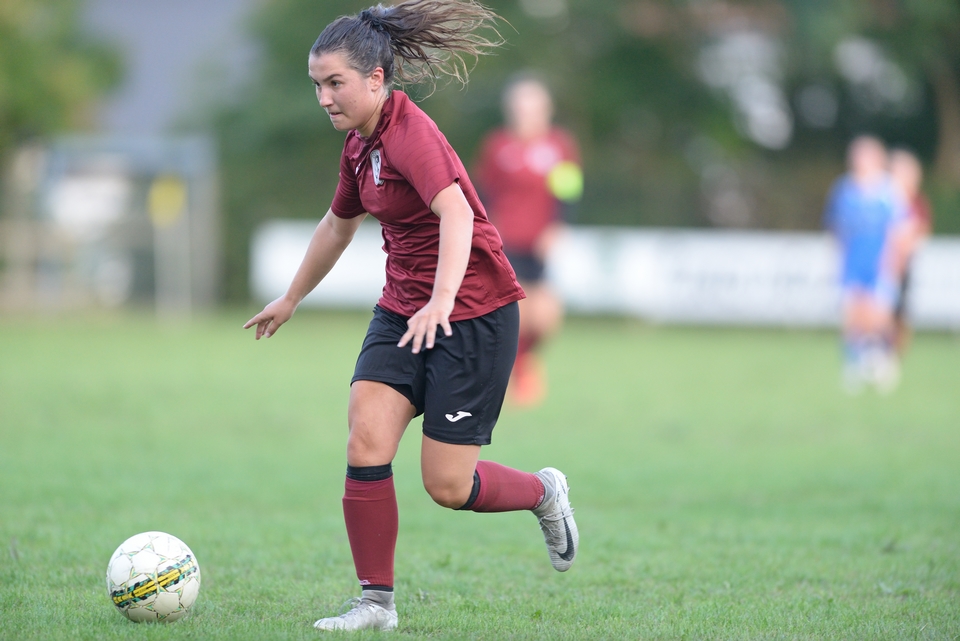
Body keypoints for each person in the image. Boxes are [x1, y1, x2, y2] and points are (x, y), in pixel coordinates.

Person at [243, 1, 579, 632]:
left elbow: (457, 213)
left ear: (375, 79)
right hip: (403, 311)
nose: (323, 98)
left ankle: (544, 492)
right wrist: (291, 298)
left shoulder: (408, 132)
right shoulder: (358, 145)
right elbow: (337, 226)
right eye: (316, 85)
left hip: (473, 316)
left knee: (448, 486)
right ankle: (375, 604)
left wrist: (443, 301)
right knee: (365, 438)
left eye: (335, 83)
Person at [474, 74, 582, 406]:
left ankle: (521, 361)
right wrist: (487, 231)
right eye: (520, 107)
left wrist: (558, 225)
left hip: (540, 244)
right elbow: (482, 193)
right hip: (505, 241)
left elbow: (569, 191)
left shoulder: (560, 146)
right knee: (516, 314)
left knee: (547, 317)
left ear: (546, 110)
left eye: (533, 107)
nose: (526, 114)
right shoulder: (497, 146)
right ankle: (514, 372)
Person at [823, 135, 908, 393]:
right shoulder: (844, 190)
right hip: (852, 264)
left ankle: (886, 364)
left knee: (879, 318)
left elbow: (899, 231)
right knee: (853, 318)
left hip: (880, 264)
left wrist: (893, 263)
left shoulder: (889, 191)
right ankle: (853, 366)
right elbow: (835, 228)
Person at [888, 148, 933, 357]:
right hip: (882, 264)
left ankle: (895, 355)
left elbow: (922, 232)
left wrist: (905, 247)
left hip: (904, 265)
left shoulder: (917, 201)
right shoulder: (883, 198)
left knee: (901, 313)